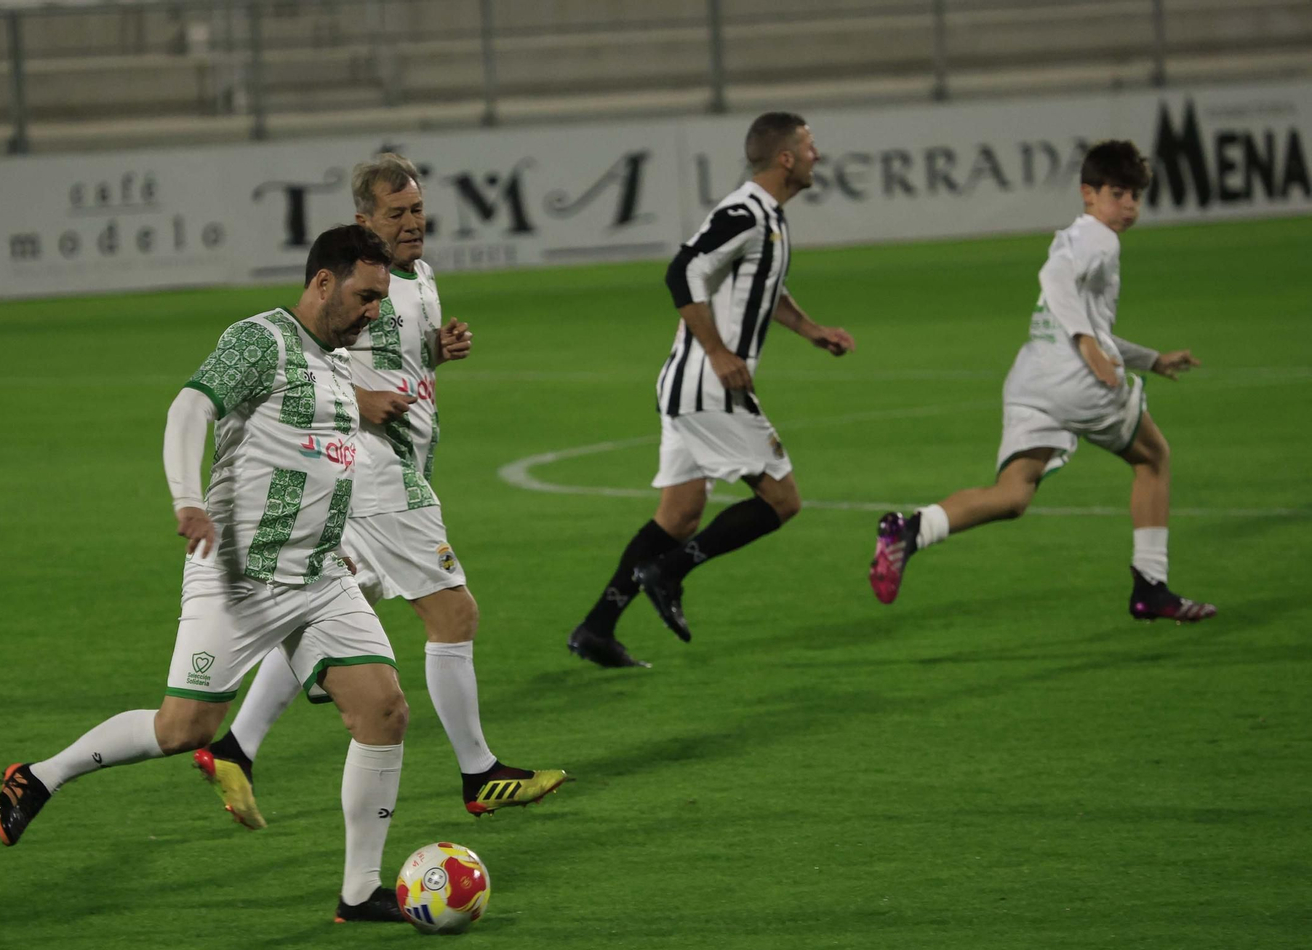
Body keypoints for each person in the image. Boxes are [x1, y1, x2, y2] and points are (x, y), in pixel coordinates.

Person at [0, 225, 415, 924]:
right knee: (183, 729)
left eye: (380, 300)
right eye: (366, 296)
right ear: (323, 282)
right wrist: (186, 500)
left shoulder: (337, 364)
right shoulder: (260, 340)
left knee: (385, 710)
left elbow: (318, 460)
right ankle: (40, 776)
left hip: (317, 578)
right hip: (240, 575)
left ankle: (360, 892)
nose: (373, 312)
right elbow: (190, 407)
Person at [195, 154, 567, 827]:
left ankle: (234, 748)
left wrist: (439, 349)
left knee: (327, 608)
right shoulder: (355, 284)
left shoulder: (421, 278)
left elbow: (399, 356)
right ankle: (479, 773)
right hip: (376, 469)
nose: (412, 223)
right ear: (364, 221)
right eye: (397, 214)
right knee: (454, 614)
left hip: (393, 466)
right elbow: (310, 351)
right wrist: (357, 399)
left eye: (418, 209)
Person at [869, 139, 1215, 623]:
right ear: (1088, 193)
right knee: (1154, 458)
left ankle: (911, 531)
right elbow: (1054, 280)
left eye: (1135, 196)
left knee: (1013, 496)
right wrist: (1088, 347)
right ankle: (1151, 587)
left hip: (1032, 381)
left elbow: (1085, 320)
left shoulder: (1077, 236)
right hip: (1078, 382)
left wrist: (1151, 359)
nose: (1129, 206)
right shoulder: (1099, 238)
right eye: (1118, 194)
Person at [567, 112, 857, 667]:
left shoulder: (767, 218)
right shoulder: (745, 212)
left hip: (687, 387)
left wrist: (812, 330)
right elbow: (682, 271)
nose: (818, 155)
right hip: (710, 385)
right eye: (810, 146)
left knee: (678, 516)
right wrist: (720, 352)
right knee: (782, 500)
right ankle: (669, 571)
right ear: (786, 158)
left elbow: (764, 289)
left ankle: (597, 628)